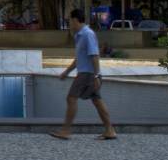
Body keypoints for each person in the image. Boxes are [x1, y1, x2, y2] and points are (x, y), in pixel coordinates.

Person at [50, 8, 117, 140]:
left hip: (87, 74)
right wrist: (66, 72)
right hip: (87, 73)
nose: (69, 23)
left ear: (75, 20)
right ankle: (110, 130)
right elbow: (79, 58)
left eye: (70, 20)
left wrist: (97, 75)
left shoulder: (87, 34)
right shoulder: (79, 35)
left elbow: (95, 55)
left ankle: (66, 131)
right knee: (97, 101)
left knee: (71, 98)